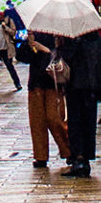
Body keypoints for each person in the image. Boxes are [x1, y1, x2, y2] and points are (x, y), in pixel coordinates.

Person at [59, 30, 101, 178]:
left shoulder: (72, 39)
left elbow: (66, 58)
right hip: (92, 86)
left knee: (75, 124)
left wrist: (61, 47)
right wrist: (95, 63)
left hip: (76, 87)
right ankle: (87, 160)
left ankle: (78, 159)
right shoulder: (94, 38)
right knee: (89, 124)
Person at [16, 31, 70, 168]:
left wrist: (45, 50)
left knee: (55, 118)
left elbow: (63, 56)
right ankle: (40, 156)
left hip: (54, 82)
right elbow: (22, 57)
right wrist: (29, 44)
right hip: (36, 82)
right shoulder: (33, 32)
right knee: (37, 121)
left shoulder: (59, 33)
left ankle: (68, 151)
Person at [0, 11, 22, 93]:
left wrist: (5, 27)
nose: (0, 14)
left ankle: (17, 83)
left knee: (10, 66)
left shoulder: (9, 20)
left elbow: (13, 32)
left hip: (6, 47)